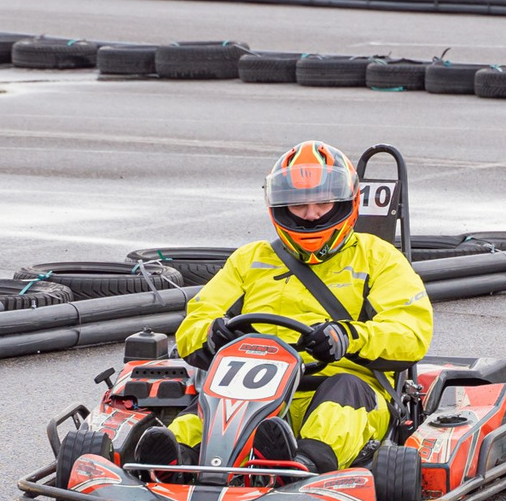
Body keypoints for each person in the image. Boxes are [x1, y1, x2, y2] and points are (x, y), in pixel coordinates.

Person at [149, 140, 432, 475]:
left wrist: (348, 337)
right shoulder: (250, 260)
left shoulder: (379, 259)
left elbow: (411, 331)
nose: (311, 215)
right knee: (209, 405)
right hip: (251, 391)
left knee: (344, 395)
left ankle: (301, 465)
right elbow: (195, 320)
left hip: (338, 385)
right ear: (280, 207)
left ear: (346, 202)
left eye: (323, 203)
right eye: (299, 205)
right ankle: (170, 461)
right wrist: (211, 334)